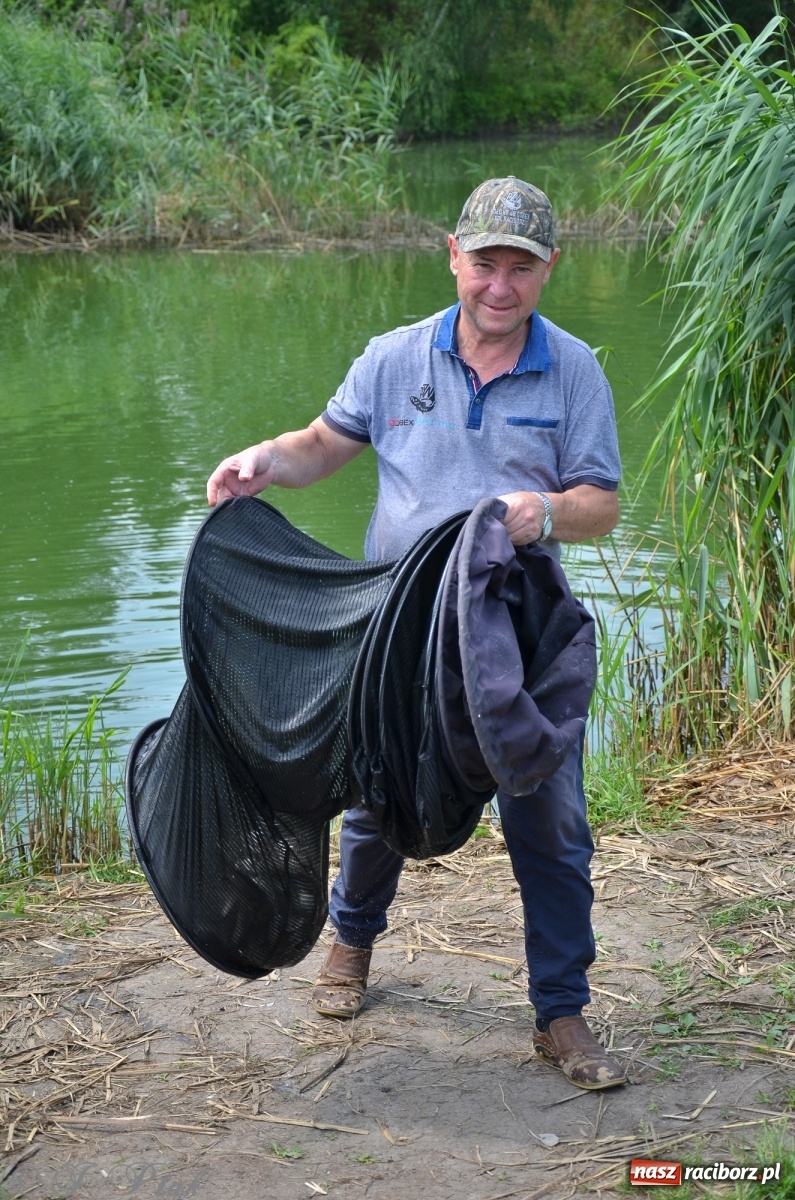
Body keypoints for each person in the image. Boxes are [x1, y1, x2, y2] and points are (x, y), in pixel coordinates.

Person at [207, 177, 626, 1091]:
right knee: (373, 802)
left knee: (549, 819)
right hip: (396, 630)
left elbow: (600, 504)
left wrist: (541, 512)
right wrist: (264, 461)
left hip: (517, 632)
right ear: (452, 257)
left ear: (549, 269)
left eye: (521, 267)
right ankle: (351, 948)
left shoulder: (576, 370)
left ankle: (560, 1011)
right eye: (484, 264)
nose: (500, 287)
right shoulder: (394, 358)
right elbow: (322, 443)